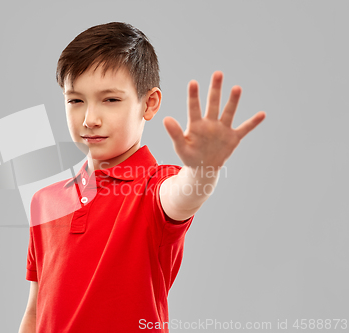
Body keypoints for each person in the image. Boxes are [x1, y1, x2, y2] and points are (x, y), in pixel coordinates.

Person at [18, 22, 266, 333]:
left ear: (149, 104)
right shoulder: (45, 201)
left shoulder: (154, 187)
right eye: (75, 100)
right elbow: (34, 312)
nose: (89, 119)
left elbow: (184, 194)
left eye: (110, 100)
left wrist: (204, 167)